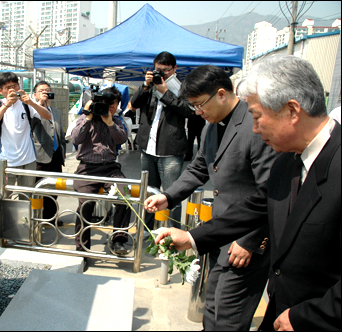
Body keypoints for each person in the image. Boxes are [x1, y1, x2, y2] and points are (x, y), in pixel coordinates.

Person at [151, 55, 341, 331]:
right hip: (282, 307)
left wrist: (308, 316)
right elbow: (256, 206)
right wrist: (192, 237)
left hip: (314, 318)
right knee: (213, 308)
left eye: (257, 116)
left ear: (292, 111)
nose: (255, 128)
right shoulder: (289, 160)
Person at [145, 65, 277, 330]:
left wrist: (249, 240)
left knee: (229, 315)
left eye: (198, 104)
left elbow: (270, 192)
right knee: (213, 307)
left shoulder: (255, 126)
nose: (197, 112)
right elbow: (198, 168)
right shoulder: (211, 127)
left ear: (221, 94)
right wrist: (169, 197)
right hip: (220, 235)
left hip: (244, 243)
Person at [130, 51, 192, 236]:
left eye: (166, 70)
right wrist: (146, 85)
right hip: (148, 149)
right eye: (158, 70)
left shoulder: (183, 87)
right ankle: (147, 229)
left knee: (172, 194)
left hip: (170, 151)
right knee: (149, 192)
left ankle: (173, 233)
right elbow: (134, 103)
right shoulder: (150, 85)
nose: (162, 74)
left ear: (175, 69)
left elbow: (188, 110)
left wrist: (165, 92)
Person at [71, 87, 131, 255]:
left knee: (124, 196)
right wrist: (89, 117)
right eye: (106, 103)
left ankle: (118, 240)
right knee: (86, 204)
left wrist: (110, 123)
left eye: (114, 104)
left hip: (111, 168)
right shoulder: (85, 118)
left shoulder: (117, 121)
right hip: (87, 168)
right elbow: (75, 138)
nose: (110, 107)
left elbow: (122, 139)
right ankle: (82, 248)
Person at [0, 72, 51, 189]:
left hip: (28, 159)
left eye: (14, 86)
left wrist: (31, 103)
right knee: (3, 196)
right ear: (0, 91)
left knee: (26, 196)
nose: (12, 90)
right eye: (7, 88)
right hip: (6, 161)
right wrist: (7, 105)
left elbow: (48, 116)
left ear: (19, 86)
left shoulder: (26, 104)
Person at [31, 81, 67, 223]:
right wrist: (39, 105)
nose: (45, 93)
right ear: (35, 94)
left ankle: (51, 217)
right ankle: (37, 218)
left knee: (54, 189)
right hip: (40, 156)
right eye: (41, 91)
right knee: (39, 189)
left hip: (56, 157)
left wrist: (63, 149)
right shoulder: (32, 110)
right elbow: (32, 126)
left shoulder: (57, 112)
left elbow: (60, 133)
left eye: (47, 90)